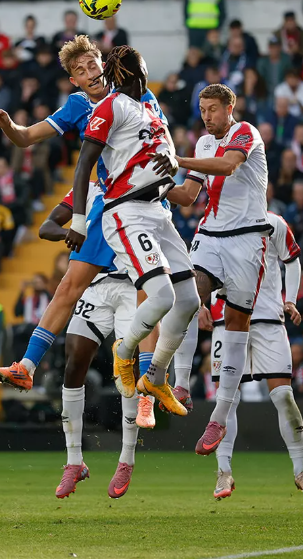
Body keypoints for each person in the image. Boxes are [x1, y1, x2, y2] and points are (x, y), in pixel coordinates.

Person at [0, 36, 166, 392]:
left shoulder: (135, 91)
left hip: (146, 199)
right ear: (74, 81)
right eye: (80, 71)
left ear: (102, 63)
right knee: (70, 285)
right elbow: (25, 138)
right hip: (110, 202)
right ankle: (26, 365)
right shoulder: (78, 104)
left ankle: (151, 381)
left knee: (156, 289)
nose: (89, 73)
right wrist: (7, 125)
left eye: (92, 64)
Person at [67, 45, 200, 418]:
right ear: (120, 73)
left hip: (159, 211)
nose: (142, 70)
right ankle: (123, 355)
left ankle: (155, 375)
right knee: (161, 298)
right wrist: (78, 222)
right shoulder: (110, 106)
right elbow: (83, 167)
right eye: (135, 66)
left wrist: (172, 162)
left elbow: (164, 158)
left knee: (189, 301)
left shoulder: (149, 108)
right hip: (127, 212)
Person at [156, 83, 270, 454]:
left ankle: (218, 417)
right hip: (211, 234)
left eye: (213, 109)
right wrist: (154, 184)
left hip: (248, 239)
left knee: (236, 327)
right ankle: (183, 383)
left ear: (229, 107)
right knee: (187, 297)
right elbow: (188, 197)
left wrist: (178, 161)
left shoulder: (245, 133)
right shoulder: (203, 144)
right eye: (202, 110)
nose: (206, 116)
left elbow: (228, 165)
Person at [38, 184, 153, 498]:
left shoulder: (140, 177)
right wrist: (73, 233)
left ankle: (126, 459)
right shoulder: (86, 188)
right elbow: (47, 225)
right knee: (74, 358)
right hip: (96, 285)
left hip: (133, 286)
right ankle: (74, 462)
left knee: (125, 367)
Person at [203, 212, 303, 501]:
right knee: (226, 399)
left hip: (269, 318)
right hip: (227, 321)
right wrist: (202, 303)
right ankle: (223, 471)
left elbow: (292, 259)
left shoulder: (274, 223)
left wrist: (290, 299)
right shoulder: (216, 222)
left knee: (283, 395)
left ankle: (301, 471)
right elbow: (203, 268)